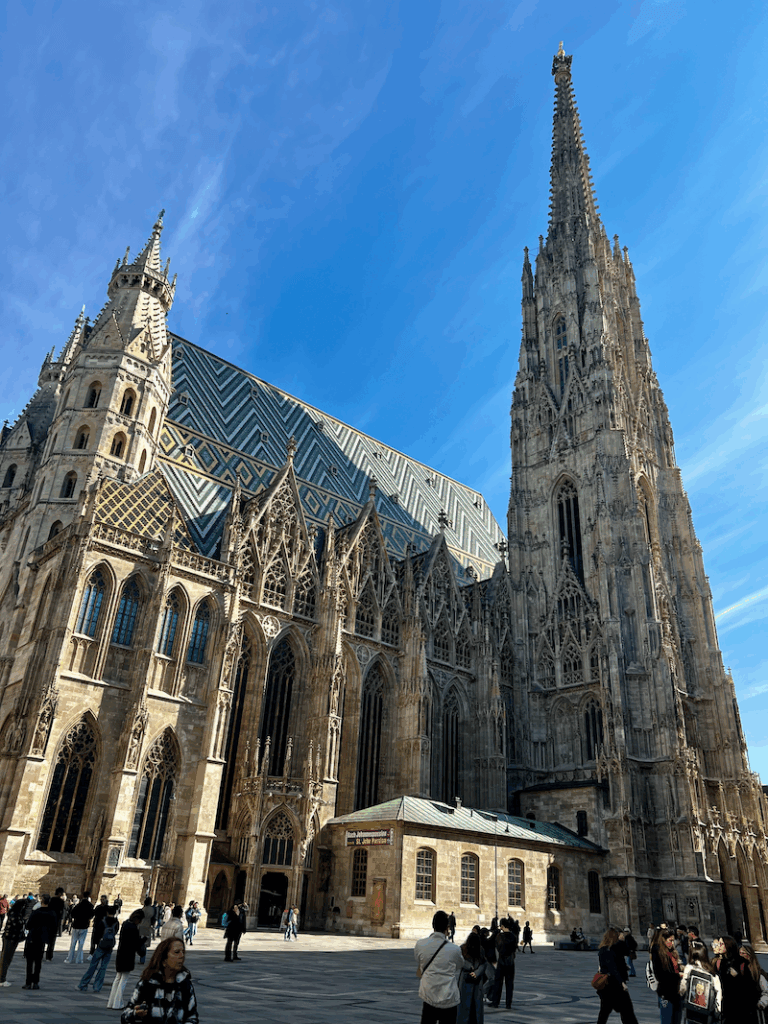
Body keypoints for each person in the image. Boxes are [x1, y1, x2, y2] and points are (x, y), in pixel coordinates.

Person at [120, 937, 199, 1024]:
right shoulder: (147, 984)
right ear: (164, 959)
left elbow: (192, 1018)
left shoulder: (185, 985)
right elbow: (125, 1016)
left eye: (183, 952)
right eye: (177, 952)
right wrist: (135, 1013)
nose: (181, 956)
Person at [414, 910, 465, 1024]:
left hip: (429, 995)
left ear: (433, 925)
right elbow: (460, 965)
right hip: (448, 997)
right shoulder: (454, 949)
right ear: (447, 927)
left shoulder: (420, 944)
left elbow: (419, 961)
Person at [594, 926, 639, 1024]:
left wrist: (623, 941)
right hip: (614, 985)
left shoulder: (604, 949)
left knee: (605, 1012)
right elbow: (613, 968)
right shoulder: (610, 950)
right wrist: (622, 983)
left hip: (606, 986)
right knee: (627, 1011)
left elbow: (627, 952)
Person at [107, 910, 146, 1011]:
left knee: (117, 978)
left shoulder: (125, 924)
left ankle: (111, 1002)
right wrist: (143, 940)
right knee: (123, 980)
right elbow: (136, 944)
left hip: (120, 954)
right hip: (128, 956)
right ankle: (117, 1003)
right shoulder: (134, 928)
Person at [678, 940, 722, 1023]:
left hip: (691, 1009)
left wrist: (680, 993)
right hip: (707, 1011)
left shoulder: (689, 967)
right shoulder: (711, 971)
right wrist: (717, 1011)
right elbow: (718, 991)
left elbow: (683, 986)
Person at [78, 908, 119, 993]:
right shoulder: (116, 923)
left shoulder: (103, 921)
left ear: (107, 912)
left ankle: (83, 984)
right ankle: (97, 987)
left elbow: (97, 934)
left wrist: (96, 944)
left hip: (101, 946)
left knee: (93, 966)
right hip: (109, 947)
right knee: (103, 968)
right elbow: (115, 932)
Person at [23, 894, 57, 990]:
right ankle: (36, 982)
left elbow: (28, 925)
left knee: (29, 962)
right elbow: (54, 928)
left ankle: (28, 982)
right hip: (42, 940)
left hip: (32, 938)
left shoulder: (36, 912)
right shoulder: (52, 913)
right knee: (38, 962)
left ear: (42, 901)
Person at [651, 928, 682, 1024]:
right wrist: (678, 975)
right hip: (666, 992)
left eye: (673, 940)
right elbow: (660, 975)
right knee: (667, 1021)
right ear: (663, 940)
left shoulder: (672, 952)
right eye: (670, 941)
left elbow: (675, 968)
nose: (672, 943)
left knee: (676, 1020)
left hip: (677, 991)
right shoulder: (658, 952)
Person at [457, 931, 487, 1024]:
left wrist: (476, 972)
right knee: (465, 1006)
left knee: (475, 1007)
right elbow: (459, 961)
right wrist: (472, 968)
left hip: (474, 981)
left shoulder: (480, 950)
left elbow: (484, 963)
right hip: (467, 980)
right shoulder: (462, 949)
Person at [713, 934, 743, 1023]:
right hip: (725, 1001)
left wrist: (737, 976)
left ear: (728, 945)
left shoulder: (738, 961)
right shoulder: (722, 962)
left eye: (721, 944)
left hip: (736, 1003)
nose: (718, 946)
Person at [489, 917, 516, 1010]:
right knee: (509, 984)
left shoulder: (500, 936)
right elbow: (514, 948)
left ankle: (496, 1002)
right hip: (511, 962)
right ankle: (508, 1004)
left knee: (498, 983)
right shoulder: (513, 936)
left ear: (503, 926)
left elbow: (498, 947)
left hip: (501, 962)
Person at [0, 900, 27, 986]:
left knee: (5, 958)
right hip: (11, 938)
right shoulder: (16, 915)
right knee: (6, 959)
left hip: (9, 938)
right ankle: (2, 979)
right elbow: (17, 927)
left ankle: (2, 978)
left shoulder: (14, 913)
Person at [65, 890, 94, 964]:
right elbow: (91, 915)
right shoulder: (90, 906)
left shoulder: (78, 905)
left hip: (76, 925)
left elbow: (73, 914)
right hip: (84, 926)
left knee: (73, 943)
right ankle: (79, 959)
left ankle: (69, 959)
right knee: (81, 943)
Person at [47, 887, 66, 959]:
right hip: (55, 921)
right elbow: (61, 912)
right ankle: (49, 956)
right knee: (52, 940)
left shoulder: (51, 900)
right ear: (60, 893)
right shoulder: (61, 902)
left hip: (49, 920)